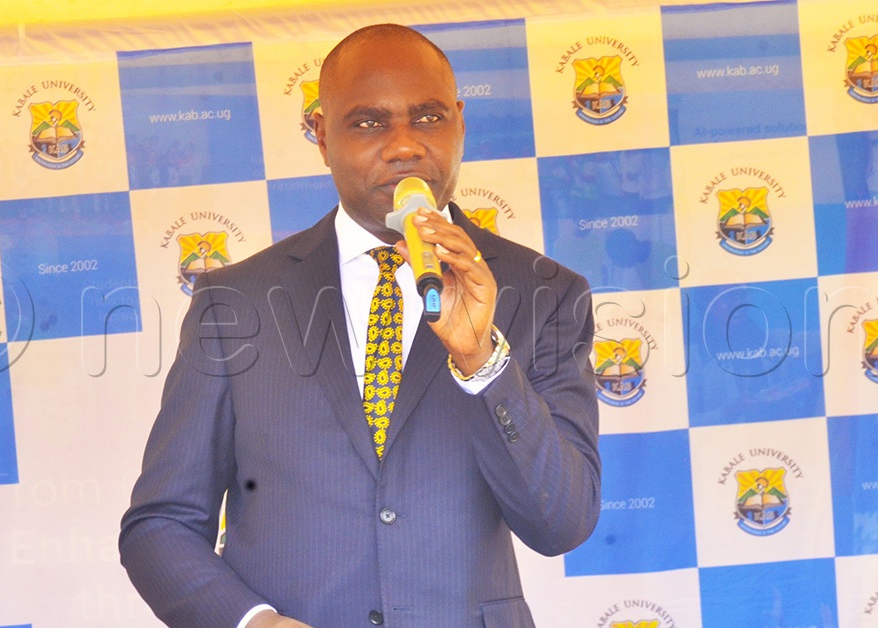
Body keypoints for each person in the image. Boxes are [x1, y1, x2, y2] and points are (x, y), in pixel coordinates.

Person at [120, 23, 601, 628]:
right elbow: (159, 524)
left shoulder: (545, 294)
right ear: (322, 135)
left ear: (459, 123)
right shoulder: (234, 301)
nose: (404, 146)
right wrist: (254, 622)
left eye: (428, 118)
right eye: (369, 122)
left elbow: (562, 522)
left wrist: (485, 362)